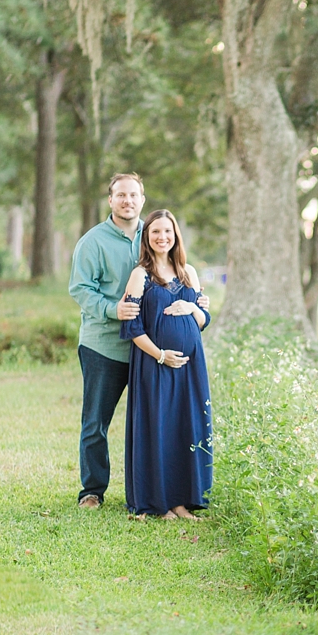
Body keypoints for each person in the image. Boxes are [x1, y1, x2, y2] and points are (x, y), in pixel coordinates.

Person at [68, 174, 207, 510]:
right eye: (120, 195)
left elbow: (178, 276)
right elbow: (80, 290)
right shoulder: (93, 242)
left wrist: (195, 305)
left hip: (149, 354)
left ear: (142, 199)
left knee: (155, 422)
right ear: (111, 200)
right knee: (96, 422)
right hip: (105, 346)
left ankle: (162, 490)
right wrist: (112, 309)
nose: (127, 201)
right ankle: (93, 490)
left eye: (133, 195)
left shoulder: (155, 232)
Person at [120, 209, 213, 520]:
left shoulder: (189, 272)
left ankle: (182, 502)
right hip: (154, 365)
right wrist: (161, 354)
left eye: (167, 231)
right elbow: (132, 328)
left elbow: (202, 320)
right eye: (155, 231)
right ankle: (158, 503)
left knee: (186, 428)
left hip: (191, 368)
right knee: (159, 427)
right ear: (147, 237)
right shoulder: (140, 275)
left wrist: (190, 307)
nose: (162, 237)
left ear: (176, 235)